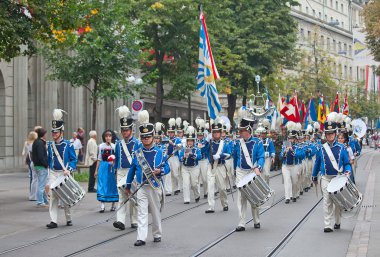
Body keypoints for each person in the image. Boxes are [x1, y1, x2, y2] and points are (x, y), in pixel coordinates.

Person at [126, 110, 169, 246]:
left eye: (147, 137)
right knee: (142, 212)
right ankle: (141, 237)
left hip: (154, 186)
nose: (145, 139)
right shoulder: (138, 153)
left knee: (155, 212)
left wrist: (160, 170)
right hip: (141, 187)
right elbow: (132, 169)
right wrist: (127, 185)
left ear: (152, 136)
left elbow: (167, 167)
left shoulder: (159, 152)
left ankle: (157, 234)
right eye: (143, 137)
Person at [312, 112, 352, 233]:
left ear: (335, 133)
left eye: (332, 133)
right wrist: (314, 176)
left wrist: (348, 171)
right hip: (325, 178)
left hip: (338, 178)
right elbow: (317, 164)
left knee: (338, 203)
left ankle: (338, 221)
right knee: (327, 200)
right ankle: (327, 224)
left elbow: (347, 163)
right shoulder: (321, 148)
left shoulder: (341, 148)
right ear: (326, 134)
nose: (330, 136)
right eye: (328, 133)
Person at [234, 108, 265, 231]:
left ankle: (256, 220)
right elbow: (235, 157)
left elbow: (261, 157)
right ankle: (241, 222)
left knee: (254, 196)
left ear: (249, 130)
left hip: (252, 171)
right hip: (241, 171)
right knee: (241, 197)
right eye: (240, 131)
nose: (240, 133)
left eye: (242, 131)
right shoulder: (237, 143)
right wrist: (234, 171)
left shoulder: (257, 142)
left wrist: (258, 167)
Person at [46, 109, 77, 229]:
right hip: (54, 172)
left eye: (56, 132)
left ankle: (68, 218)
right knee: (53, 196)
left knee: (65, 196)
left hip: (64, 173)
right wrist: (49, 175)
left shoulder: (68, 145)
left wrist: (69, 169)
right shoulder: (50, 145)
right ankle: (53, 220)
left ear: (61, 132)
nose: (54, 134)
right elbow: (49, 160)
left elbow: (73, 160)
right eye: (53, 132)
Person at [113, 105, 140, 230]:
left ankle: (134, 220)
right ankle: (120, 221)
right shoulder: (118, 144)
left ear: (131, 130)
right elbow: (117, 159)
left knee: (133, 195)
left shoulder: (137, 143)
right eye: (123, 130)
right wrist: (115, 171)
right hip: (121, 172)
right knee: (121, 197)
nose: (125, 132)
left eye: (127, 130)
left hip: (132, 172)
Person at [205, 117, 232, 214]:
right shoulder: (210, 142)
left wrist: (220, 156)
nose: (216, 134)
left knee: (222, 188)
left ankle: (225, 203)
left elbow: (229, 155)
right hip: (211, 167)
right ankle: (211, 206)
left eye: (217, 132)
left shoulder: (224, 143)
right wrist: (206, 141)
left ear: (220, 133)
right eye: (214, 132)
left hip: (220, 166)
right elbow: (203, 151)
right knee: (210, 187)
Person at [95, 130, 118, 213]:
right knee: (102, 184)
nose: (108, 138)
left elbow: (117, 158)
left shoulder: (114, 146)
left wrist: (115, 165)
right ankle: (102, 205)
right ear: (104, 137)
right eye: (106, 136)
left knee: (112, 184)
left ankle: (113, 204)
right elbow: (99, 159)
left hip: (111, 167)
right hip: (103, 167)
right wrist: (96, 170)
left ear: (112, 137)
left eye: (109, 136)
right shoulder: (101, 146)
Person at [280, 121, 303, 204]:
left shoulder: (298, 146)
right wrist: (285, 152)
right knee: (287, 181)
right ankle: (287, 197)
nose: (290, 140)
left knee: (295, 182)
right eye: (289, 138)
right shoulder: (284, 145)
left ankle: (294, 195)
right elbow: (280, 156)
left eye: (292, 138)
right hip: (285, 166)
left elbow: (301, 155)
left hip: (294, 166)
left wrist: (293, 151)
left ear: (295, 139)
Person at [179, 126, 201, 204]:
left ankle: (197, 195)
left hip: (194, 168)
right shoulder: (183, 149)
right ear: (187, 141)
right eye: (189, 141)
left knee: (194, 184)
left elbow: (199, 156)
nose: (190, 142)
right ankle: (186, 199)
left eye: (191, 141)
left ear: (193, 141)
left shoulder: (197, 149)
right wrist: (183, 157)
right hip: (185, 168)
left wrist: (192, 155)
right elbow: (180, 158)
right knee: (185, 183)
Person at [31, 127, 49, 207]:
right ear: (43, 134)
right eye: (45, 134)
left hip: (37, 165)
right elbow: (41, 156)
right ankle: (40, 202)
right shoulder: (40, 143)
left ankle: (44, 200)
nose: (46, 135)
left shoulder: (36, 141)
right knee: (41, 184)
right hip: (41, 166)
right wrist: (46, 164)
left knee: (42, 183)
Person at [164, 118, 182, 196]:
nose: (170, 134)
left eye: (172, 132)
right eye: (169, 132)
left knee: (175, 174)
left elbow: (180, 148)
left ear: (174, 132)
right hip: (168, 157)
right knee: (168, 174)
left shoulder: (177, 139)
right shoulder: (165, 139)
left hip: (175, 157)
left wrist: (173, 144)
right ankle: (169, 190)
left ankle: (177, 187)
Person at [195, 117, 209, 198]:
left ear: (203, 135)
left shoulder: (206, 141)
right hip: (197, 161)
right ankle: (197, 194)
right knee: (196, 179)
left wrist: (202, 147)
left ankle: (206, 192)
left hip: (204, 160)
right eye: (198, 135)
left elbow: (205, 150)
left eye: (201, 135)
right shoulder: (195, 141)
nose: (200, 136)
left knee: (204, 178)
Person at [258, 119, 275, 185]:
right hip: (260, 158)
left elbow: (272, 150)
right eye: (262, 133)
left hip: (267, 159)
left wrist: (273, 157)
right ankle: (262, 187)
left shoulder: (269, 141)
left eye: (264, 134)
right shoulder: (258, 141)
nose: (263, 135)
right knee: (260, 174)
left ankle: (267, 185)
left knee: (267, 174)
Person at [22, 131, 38, 201]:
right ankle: (36, 196)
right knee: (38, 180)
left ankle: (32, 196)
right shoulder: (34, 144)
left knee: (34, 180)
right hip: (36, 162)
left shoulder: (27, 143)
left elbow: (25, 152)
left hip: (32, 161)